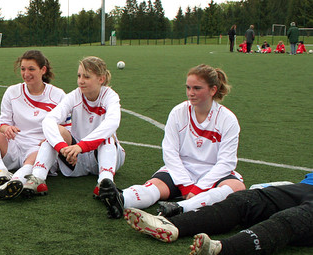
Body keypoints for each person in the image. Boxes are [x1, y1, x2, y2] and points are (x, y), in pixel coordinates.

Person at [100, 64, 245, 219]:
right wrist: (186, 185)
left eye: (197, 88)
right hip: (181, 169)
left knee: (237, 187)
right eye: (188, 87)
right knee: (156, 185)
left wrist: (199, 188)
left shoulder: (227, 119)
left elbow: (226, 162)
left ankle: (179, 208)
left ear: (213, 90)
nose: (191, 93)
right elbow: (170, 153)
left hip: (213, 172)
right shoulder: (178, 112)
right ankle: (122, 199)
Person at [124, 172, 313, 255]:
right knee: (245, 200)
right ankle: (171, 225)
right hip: (308, 185)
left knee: (294, 218)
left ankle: (219, 249)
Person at [20, 56, 125, 218]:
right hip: (76, 158)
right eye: (79, 76)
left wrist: (81, 146)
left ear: (101, 79)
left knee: (108, 136)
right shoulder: (74, 96)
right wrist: (62, 147)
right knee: (53, 133)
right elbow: (49, 120)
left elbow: (112, 122)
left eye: (86, 77)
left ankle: (105, 184)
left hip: (106, 156)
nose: (81, 81)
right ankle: (38, 179)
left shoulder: (110, 96)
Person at [0, 50, 68, 200]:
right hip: (14, 145)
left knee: (39, 153)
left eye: (31, 69)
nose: (26, 73)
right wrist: (7, 128)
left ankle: (15, 181)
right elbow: (3, 124)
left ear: (43, 70)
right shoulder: (12, 92)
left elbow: (66, 130)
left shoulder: (58, 95)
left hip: (38, 148)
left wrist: (51, 140)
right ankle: (0, 172)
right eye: (23, 69)